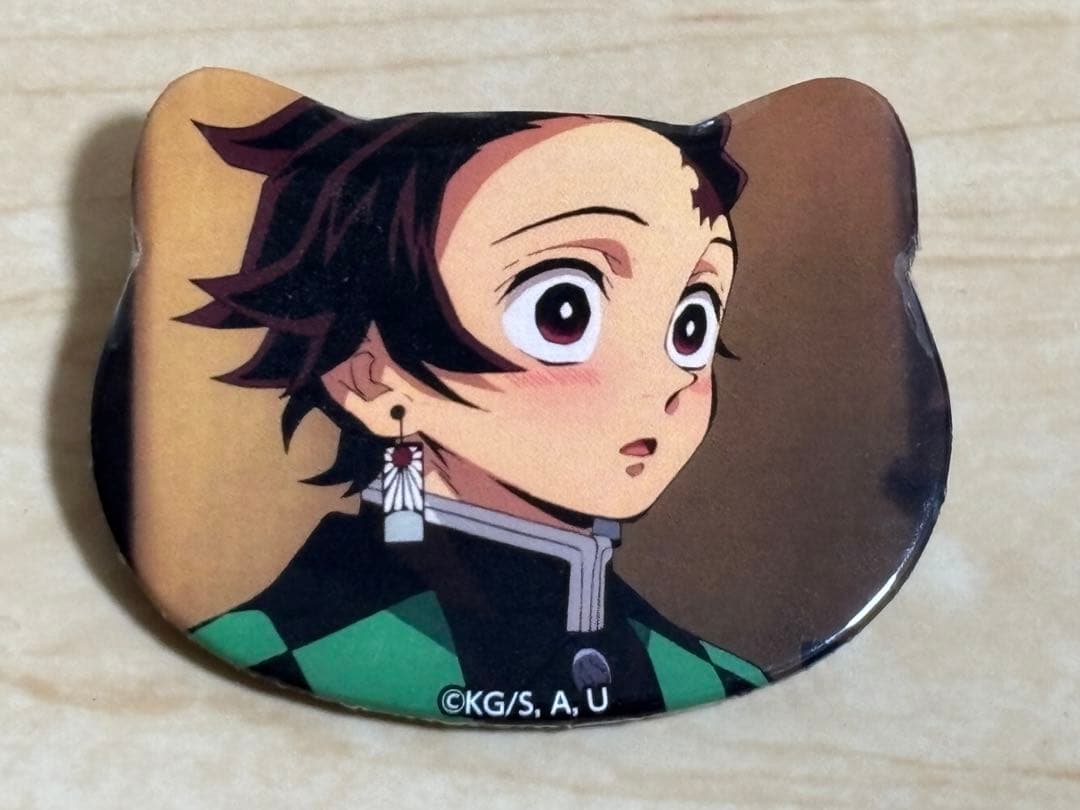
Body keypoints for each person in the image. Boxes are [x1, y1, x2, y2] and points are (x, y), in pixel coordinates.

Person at [183, 98, 767, 723]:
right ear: (370, 377)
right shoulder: (273, 652)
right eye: (562, 312)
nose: (665, 379)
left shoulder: (706, 675)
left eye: (690, 324)